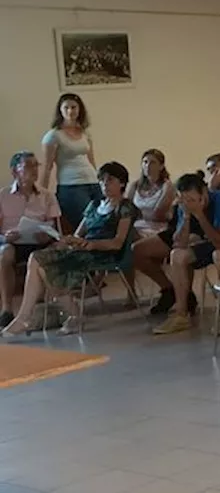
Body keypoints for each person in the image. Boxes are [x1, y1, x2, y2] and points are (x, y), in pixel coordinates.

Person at [2, 162, 138, 337]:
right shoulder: (95, 204)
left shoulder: (125, 207)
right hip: (84, 249)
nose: (105, 184)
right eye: (102, 180)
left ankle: (63, 314)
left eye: (110, 180)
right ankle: (28, 317)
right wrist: (69, 240)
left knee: (45, 268)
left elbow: (117, 242)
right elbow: (78, 233)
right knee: (37, 258)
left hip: (103, 252)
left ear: (122, 183)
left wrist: (92, 245)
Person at [145, 173, 220, 336]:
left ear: (204, 193)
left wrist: (199, 215)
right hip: (215, 242)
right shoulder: (184, 206)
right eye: (185, 200)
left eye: (193, 200)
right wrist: (185, 216)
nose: (189, 204)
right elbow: (179, 243)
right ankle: (181, 314)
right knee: (177, 255)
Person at [0, 152, 61, 330]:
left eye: (36, 165)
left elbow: (55, 227)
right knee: (5, 255)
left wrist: (48, 235)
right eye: (28, 166)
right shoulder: (3, 196)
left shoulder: (47, 195)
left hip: (39, 241)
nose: (34, 170)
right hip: (11, 242)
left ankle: (43, 307)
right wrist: (5, 237)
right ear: (15, 171)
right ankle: (6, 309)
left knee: (47, 253)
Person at [40, 93, 99, 232]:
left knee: (105, 220)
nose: (70, 111)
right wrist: (42, 194)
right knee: (88, 224)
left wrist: (99, 179)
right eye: (66, 108)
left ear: (79, 110)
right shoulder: (54, 136)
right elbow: (47, 167)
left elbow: (91, 160)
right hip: (71, 186)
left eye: (73, 107)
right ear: (60, 110)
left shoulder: (85, 133)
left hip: (93, 182)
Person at [126, 149, 175, 237]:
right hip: (135, 227)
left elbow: (158, 215)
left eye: (152, 163)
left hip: (156, 229)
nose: (148, 166)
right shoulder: (135, 185)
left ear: (161, 166)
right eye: (145, 162)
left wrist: (138, 213)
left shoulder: (167, 186)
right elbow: (127, 211)